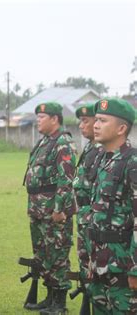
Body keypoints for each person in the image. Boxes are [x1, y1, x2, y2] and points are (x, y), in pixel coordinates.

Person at [23, 102, 77, 313]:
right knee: (43, 255)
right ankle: (49, 297)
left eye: (42, 116)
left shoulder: (63, 143)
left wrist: (59, 209)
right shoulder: (45, 142)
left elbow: (66, 180)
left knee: (57, 255)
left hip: (54, 211)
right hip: (38, 209)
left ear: (55, 119)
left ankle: (60, 303)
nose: (38, 120)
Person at [88, 98, 136, 314]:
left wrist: (135, 269)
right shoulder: (103, 159)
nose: (95, 125)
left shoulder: (132, 162)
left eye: (103, 121)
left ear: (121, 128)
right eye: (96, 120)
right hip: (100, 263)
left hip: (123, 266)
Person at [71, 103, 104, 300]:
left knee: (94, 263)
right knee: (85, 262)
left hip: (94, 217)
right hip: (84, 214)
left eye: (86, 121)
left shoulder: (102, 151)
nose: (81, 126)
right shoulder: (90, 148)